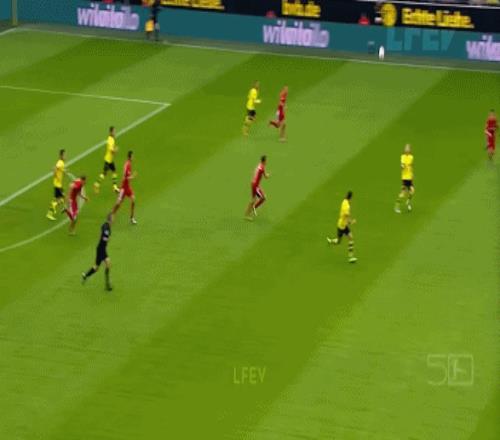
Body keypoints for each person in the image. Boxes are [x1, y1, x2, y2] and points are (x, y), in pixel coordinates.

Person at [82, 213, 113, 291]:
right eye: (113, 218)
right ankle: (107, 284)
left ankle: (85, 275)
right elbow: (103, 237)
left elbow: (101, 234)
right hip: (101, 249)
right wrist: (107, 239)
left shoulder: (106, 225)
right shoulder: (106, 227)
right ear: (110, 219)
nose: (114, 219)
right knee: (107, 264)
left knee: (97, 267)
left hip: (101, 248)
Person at [327, 191, 357, 263]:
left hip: (343, 224)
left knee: (350, 238)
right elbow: (346, 216)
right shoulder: (347, 206)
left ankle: (351, 257)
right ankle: (331, 241)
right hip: (341, 226)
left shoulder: (344, 201)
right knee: (338, 241)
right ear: (351, 198)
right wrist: (351, 221)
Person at [112, 150, 137, 224]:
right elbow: (126, 177)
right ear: (130, 157)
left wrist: (131, 177)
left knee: (133, 200)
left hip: (127, 187)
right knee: (118, 203)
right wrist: (133, 176)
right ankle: (111, 215)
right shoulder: (127, 165)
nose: (133, 157)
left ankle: (132, 218)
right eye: (132, 156)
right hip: (123, 187)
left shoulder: (129, 164)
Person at [94, 126, 119, 194]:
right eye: (114, 131)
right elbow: (111, 150)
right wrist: (116, 150)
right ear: (111, 132)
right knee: (104, 173)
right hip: (108, 160)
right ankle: (96, 184)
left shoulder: (111, 139)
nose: (115, 132)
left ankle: (115, 187)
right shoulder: (110, 140)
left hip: (110, 160)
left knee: (113, 171)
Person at [245, 155, 269, 220]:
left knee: (253, 200)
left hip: (253, 184)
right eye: (266, 160)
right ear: (264, 161)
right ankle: (253, 208)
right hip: (256, 186)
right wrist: (268, 175)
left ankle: (247, 214)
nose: (267, 161)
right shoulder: (262, 168)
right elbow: (266, 176)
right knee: (263, 198)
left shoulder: (259, 165)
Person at [46, 149, 67, 221]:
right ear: (61, 156)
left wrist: (64, 171)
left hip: (57, 184)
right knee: (63, 198)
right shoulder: (60, 162)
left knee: (57, 199)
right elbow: (54, 168)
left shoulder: (61, 163)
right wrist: (56, 176)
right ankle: (57, 207)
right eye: (64, 155)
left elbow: (58, 169)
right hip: (58, 185)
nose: (65, 156)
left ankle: (49, 214)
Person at [395, 144, 414, 213]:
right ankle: (397, 206)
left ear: (410, 150)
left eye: (408, 148)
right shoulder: (403, 157)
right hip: (405, 178)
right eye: (406, 148)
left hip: (410, 177)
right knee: (403, 193)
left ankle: (408, 202)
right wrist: (402, 166)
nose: (407, 150)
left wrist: (412, 174)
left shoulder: (411, 157)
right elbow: (402, 164)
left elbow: (411, 166)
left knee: (412, 191)